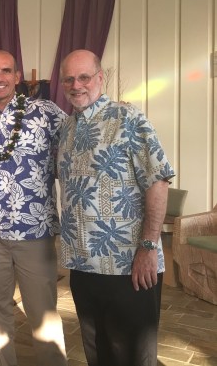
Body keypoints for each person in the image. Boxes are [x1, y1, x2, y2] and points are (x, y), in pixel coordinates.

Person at [57, 49, 175, 366]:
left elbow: (158, 180)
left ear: (100, 78)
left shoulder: (128, 118)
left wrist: (148, 247)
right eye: (69, 79)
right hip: (82, 265)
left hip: (128, 265)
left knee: (133, 355)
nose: (76, 85)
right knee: (98, 353)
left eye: (84, 77)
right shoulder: (67, 128)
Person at [0, 50, 68, 366]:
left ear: (17, 76)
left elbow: (78, 143)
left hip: (35, 232)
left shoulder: (46, 113)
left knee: (43, 314)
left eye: (6, 71)